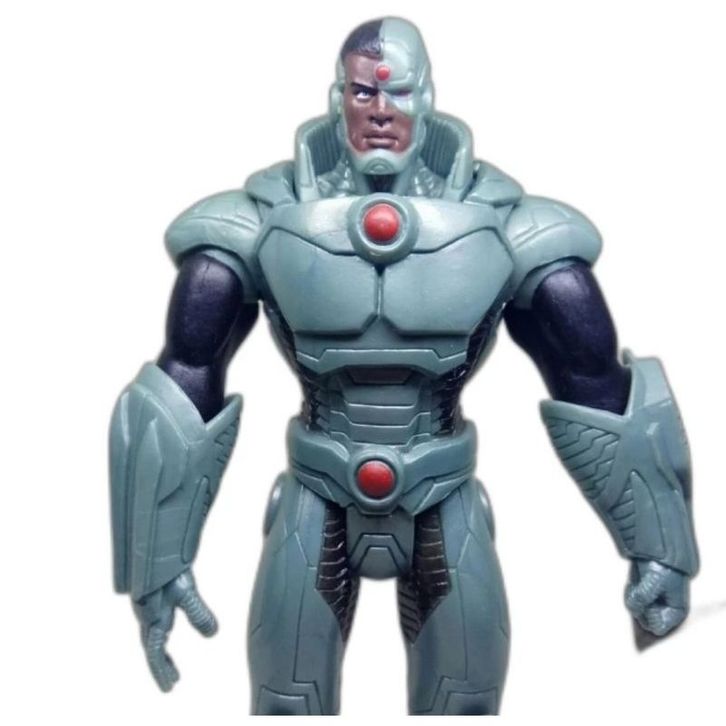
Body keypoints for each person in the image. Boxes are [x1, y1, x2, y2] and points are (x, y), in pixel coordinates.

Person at [109, 16, 698, 715]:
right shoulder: (265, 217)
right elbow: (184, 379)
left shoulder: (503, 222)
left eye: (398, 92)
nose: (381, 111)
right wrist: (158, 561)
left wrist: (657, 545)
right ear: (338, 100)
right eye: (364, 93)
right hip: (317, 495)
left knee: (463, 703)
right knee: (288, 702)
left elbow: (594, 379)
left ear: (427, 98)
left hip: (442, 496)